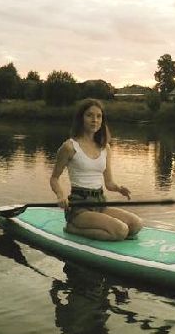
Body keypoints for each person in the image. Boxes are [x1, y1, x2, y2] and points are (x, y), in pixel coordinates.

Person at [49, 98, 143, 241]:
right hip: (79, 207)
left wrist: (119, 188)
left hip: (100, 203)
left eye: (99, 116)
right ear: (81, 118)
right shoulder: (69, 147)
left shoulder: (105, 148)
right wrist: (60, 196)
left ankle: (94, 227)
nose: (95, 120)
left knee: (136, 225)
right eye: (89, 115)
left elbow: (109, 183)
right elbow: (54, 178)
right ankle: (73, 228)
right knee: (121, 231)